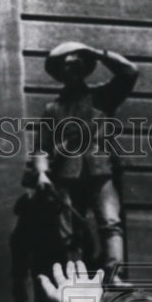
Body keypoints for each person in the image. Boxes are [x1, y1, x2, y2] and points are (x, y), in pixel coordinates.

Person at [32, 41, 138, 279]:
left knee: (110, 222)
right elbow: (41, 148)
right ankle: (75, 279)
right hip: (66, 174)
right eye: (67, 66)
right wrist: (42, 173)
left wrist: (100, 53)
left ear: (84, 67)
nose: (72, 70)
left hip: (100, 168)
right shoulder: (52, 109)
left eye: (77, 64)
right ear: (61, 72)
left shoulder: (102, 97)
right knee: (69, 232)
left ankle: (115, 275)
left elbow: (130, 72)